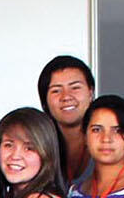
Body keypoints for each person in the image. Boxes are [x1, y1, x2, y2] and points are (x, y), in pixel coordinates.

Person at [39, 55, 96, 183]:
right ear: (45, 101)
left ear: (91, 93)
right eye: (56, 91)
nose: (66, 97)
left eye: (75, 87)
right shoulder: (36, 144)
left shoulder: (118, 137)